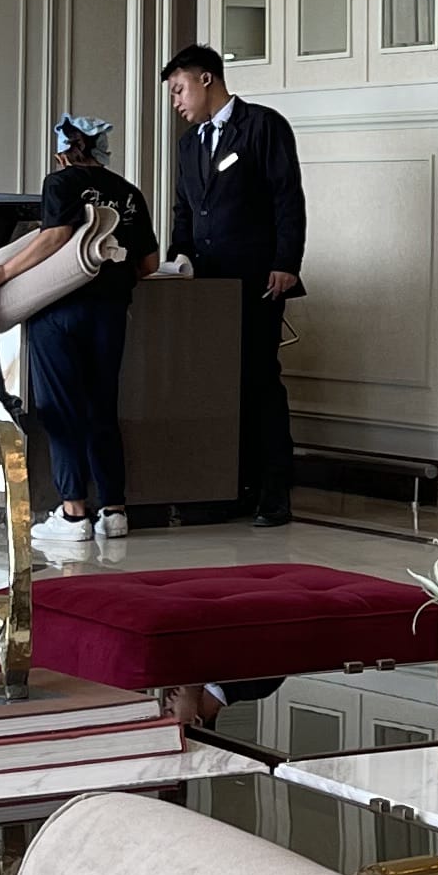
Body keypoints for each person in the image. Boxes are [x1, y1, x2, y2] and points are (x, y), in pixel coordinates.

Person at [0, 114, 154, 559]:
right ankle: (114, 511)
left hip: (60, 310)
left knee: (62, 409)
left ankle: (73, 514)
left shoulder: (60, 183)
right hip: (111, 313)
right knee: (102, 406)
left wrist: (3, 271)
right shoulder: (129, 192)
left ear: (64, 152)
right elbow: (147, 263)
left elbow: (55, 237)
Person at [161, 43, 303, 526]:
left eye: (179, 89)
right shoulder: (188, 145)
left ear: (206, 79)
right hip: (206, 287)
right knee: (218, 386)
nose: (176, 102)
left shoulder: (263, 126)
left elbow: (287, 199)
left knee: (260, 380)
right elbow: (184, 211)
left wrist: (286, 263)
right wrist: (178, 260)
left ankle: (274, 492)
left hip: (257, 280)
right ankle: (230, 486)